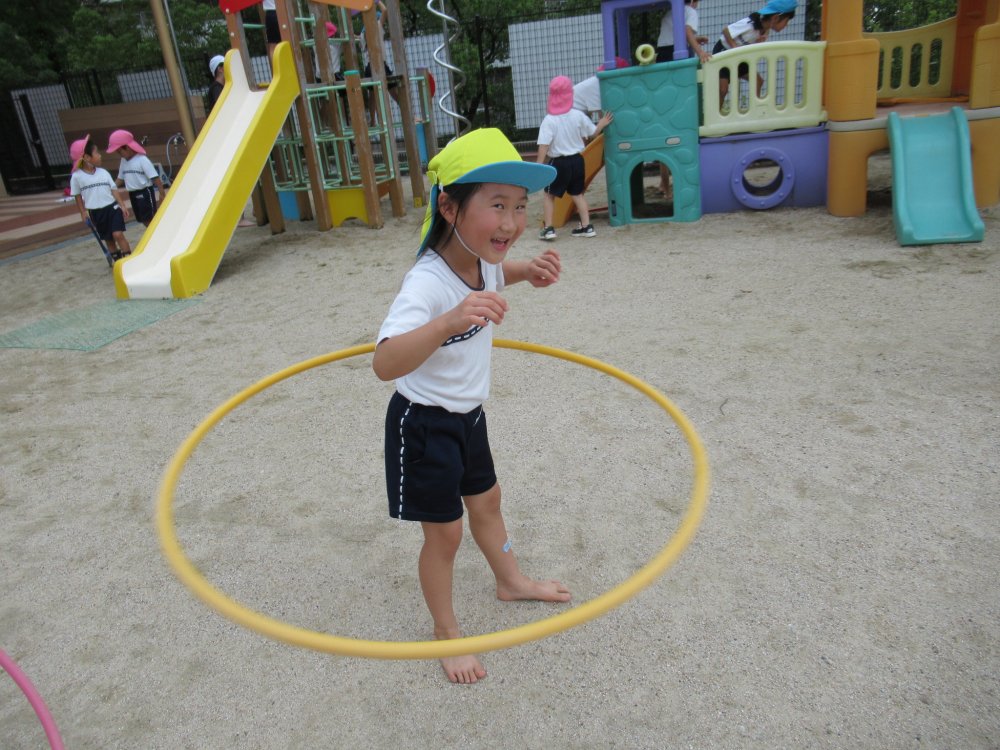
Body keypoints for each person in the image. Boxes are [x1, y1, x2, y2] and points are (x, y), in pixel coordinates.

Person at [372, 127, 568, 684]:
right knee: (445, 535)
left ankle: (511, 581)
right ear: (449, 207)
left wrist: (528, 271)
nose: (511, 222)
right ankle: (446, 632)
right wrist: (448, 321)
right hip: (424, 426)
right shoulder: (426, 283)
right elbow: (385, 362)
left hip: (469, 417)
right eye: (497, 205)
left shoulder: (482, 257)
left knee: (488, 502)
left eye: (520, 206)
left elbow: (499, 271)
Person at [536, 76, 613, 241]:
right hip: (578, 160)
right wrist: (602, 123)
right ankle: (587, 226)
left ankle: (548, 228)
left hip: (558, 163)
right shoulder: (577, 115)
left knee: (549, 194)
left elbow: (544, 145)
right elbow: (592, 133)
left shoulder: (549, 120)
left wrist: (539, 166)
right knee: (578, 194)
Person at [713, 0, 797, 106]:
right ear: (775, 18)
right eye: (786, 21)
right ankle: (716, 113)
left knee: (758, 81)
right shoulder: (749, 24)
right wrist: (734, 47)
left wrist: (757, 43)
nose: (786, 25)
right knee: (723, 89)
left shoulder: (764, 30)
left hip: (738, 57)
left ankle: (754, 109)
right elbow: (726, 30)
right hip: (724, 53)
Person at [69, 135, 131, 260]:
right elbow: (77, 196)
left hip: (112, 208)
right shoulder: (76, 177)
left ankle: (128, 259)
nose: (100, 155)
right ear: (87, 157)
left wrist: (122, 205)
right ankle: (117, 261)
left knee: (118, 234)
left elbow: (113, 189)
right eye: (96, 153)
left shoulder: (103, 173)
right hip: (96, 212)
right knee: (109, 239)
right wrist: (83, 212)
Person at [107, 129, 165, 228]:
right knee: (141, 218)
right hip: (132, 193)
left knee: (149, 218)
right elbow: (120, 178)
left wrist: (162, 193)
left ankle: (157, 232)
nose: (120, 155)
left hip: (145, 192)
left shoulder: (142, 160)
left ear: (128, 147)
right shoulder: (123, 161)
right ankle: (153, 232)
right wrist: (110, 187)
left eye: (120, 152)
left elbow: (155, 178)